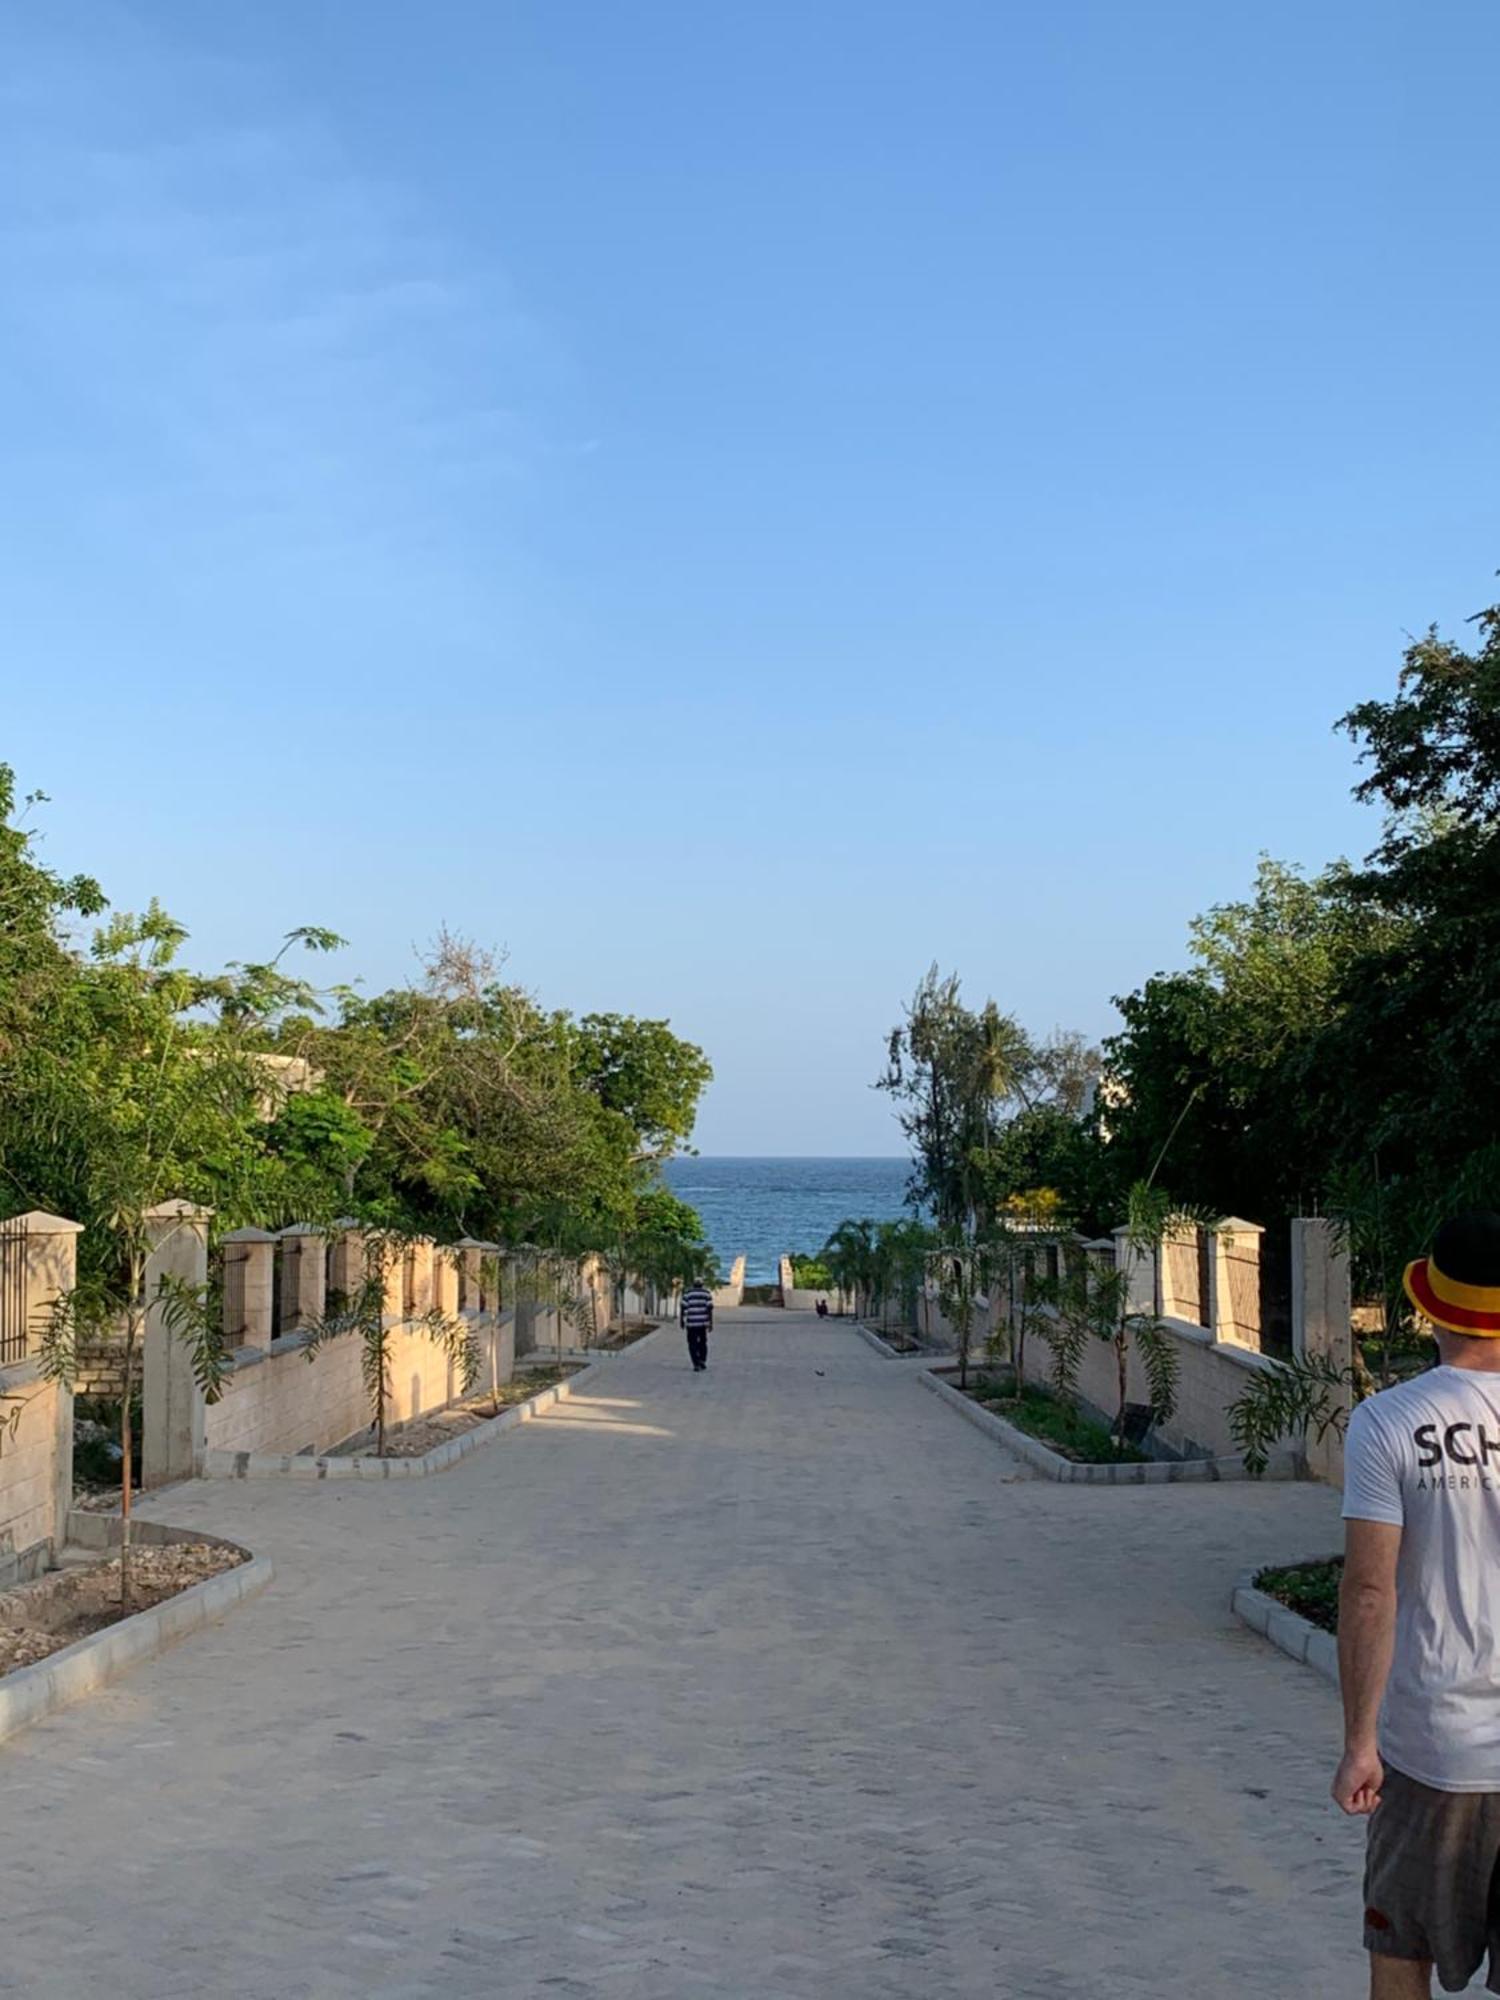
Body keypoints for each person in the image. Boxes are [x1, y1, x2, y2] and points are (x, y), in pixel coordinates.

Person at [1335, 1208, 1500, 1999]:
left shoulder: (1389, 1421)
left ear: (1429, 1305)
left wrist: (1359, 1743)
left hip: (1433, 1753)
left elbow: (1370, 1591)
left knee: (1401, 1958)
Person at [679, 1276, 713, 1372]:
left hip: (691, 1323)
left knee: (692, 1344)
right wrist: (710, 1323)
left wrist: (681, 1320)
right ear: (702, 1284)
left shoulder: (688, 1293)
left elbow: (683, 1307)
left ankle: (696, 1363)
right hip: (702, 1323)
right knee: (703, 1343)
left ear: (693, 1284)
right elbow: (710, 1309)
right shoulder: (707, 1294)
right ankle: (702, 1360)